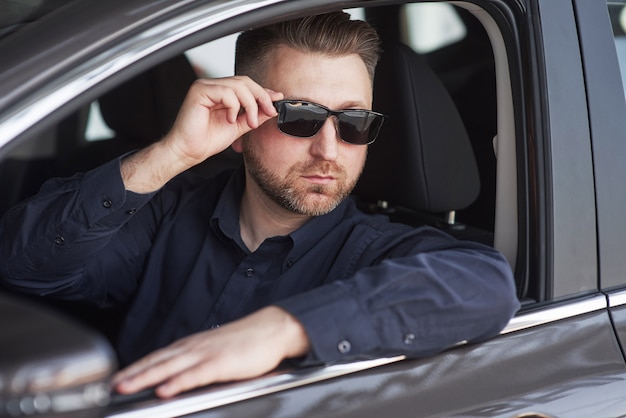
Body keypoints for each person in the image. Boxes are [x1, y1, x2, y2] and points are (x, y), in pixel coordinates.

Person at [0, 12, 519, 399]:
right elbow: (23, 264)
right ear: (241, 128)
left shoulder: (379, 253)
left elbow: (486, 285)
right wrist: (170, 154)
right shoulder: (167, 212)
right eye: (300, 117)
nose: (329, 150)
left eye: (354, 123)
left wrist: (285, 328)